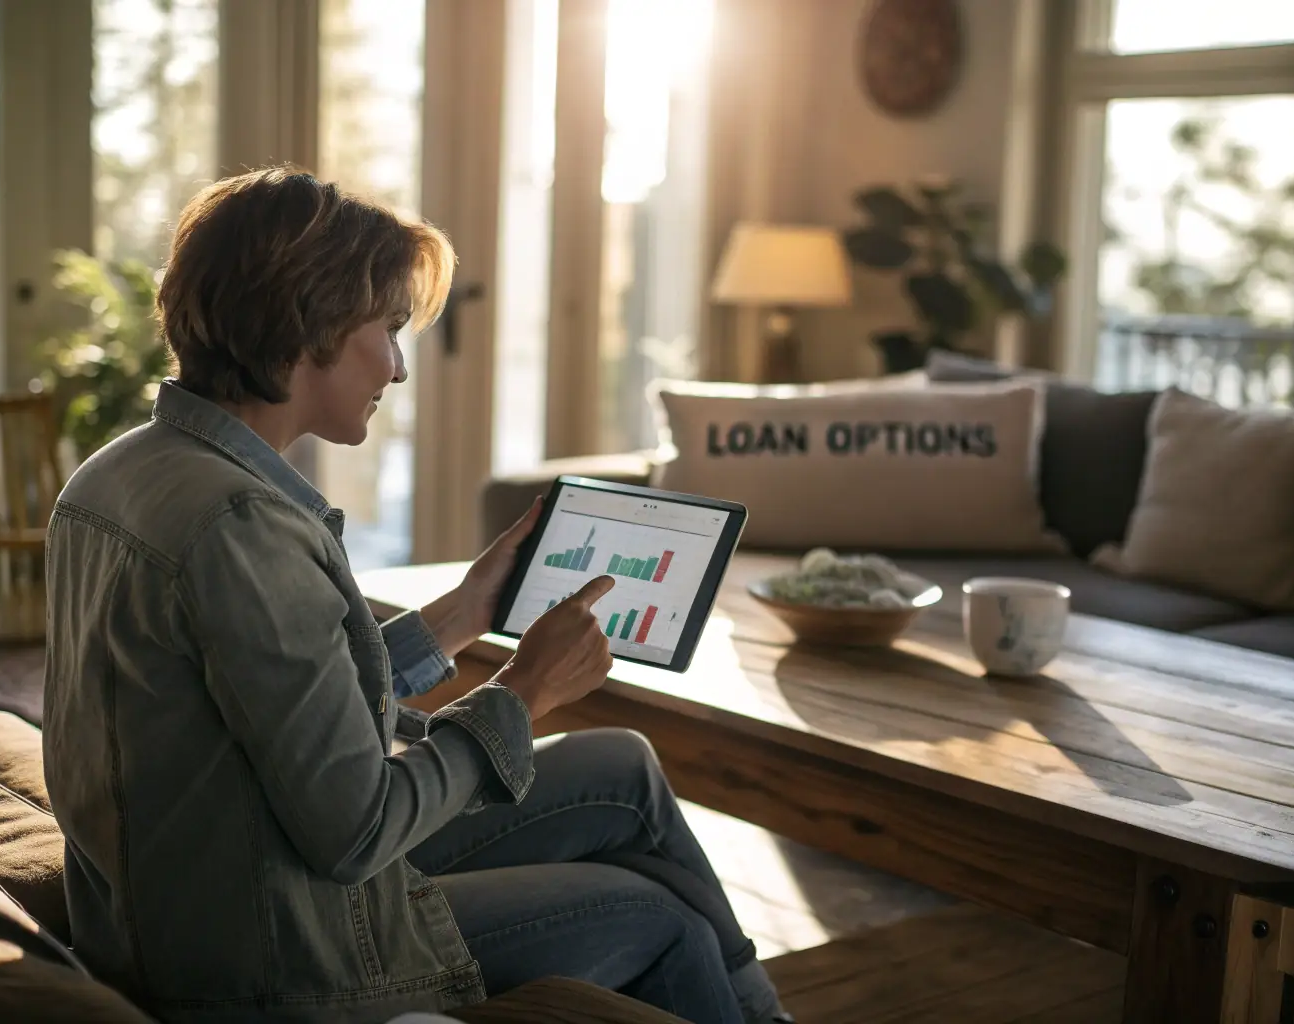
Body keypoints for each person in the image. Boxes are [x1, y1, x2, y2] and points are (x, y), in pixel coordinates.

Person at [42, 167, 791, 1024]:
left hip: (202, 892)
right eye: (389, 329)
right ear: (310, 321)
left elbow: (281, 704)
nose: (397, 368)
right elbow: (356, 829)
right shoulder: (241, 527)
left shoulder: (121, 472)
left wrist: (463, 612)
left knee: (620, 767)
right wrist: (522, 692)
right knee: (661, 916)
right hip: (272, 957)